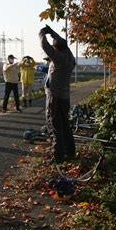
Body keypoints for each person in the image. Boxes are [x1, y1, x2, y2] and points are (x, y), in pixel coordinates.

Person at [39, 25, 76, 163]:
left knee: (54, 125)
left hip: (54, 97)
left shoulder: (59, 57)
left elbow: (45, 45)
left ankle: (57, 156)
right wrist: (52, 32)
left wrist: (42, 33)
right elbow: (61, 42)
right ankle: (70, 151)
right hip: (64, 97)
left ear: (57, 49)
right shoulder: (70, 56)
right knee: (65, 125)